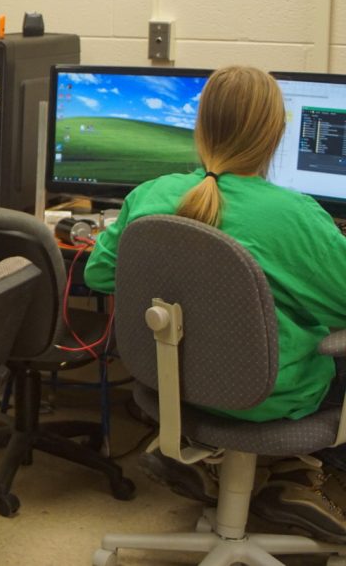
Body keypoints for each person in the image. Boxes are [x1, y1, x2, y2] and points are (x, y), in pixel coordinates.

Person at [83, 65, 346, 542]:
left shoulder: (149, 195)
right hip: (267, 399)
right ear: (276, 135)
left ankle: (219, 465)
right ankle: (314, 478)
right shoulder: (297, 215)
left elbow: (97, 274)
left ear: (199, 128)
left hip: (169, 389)